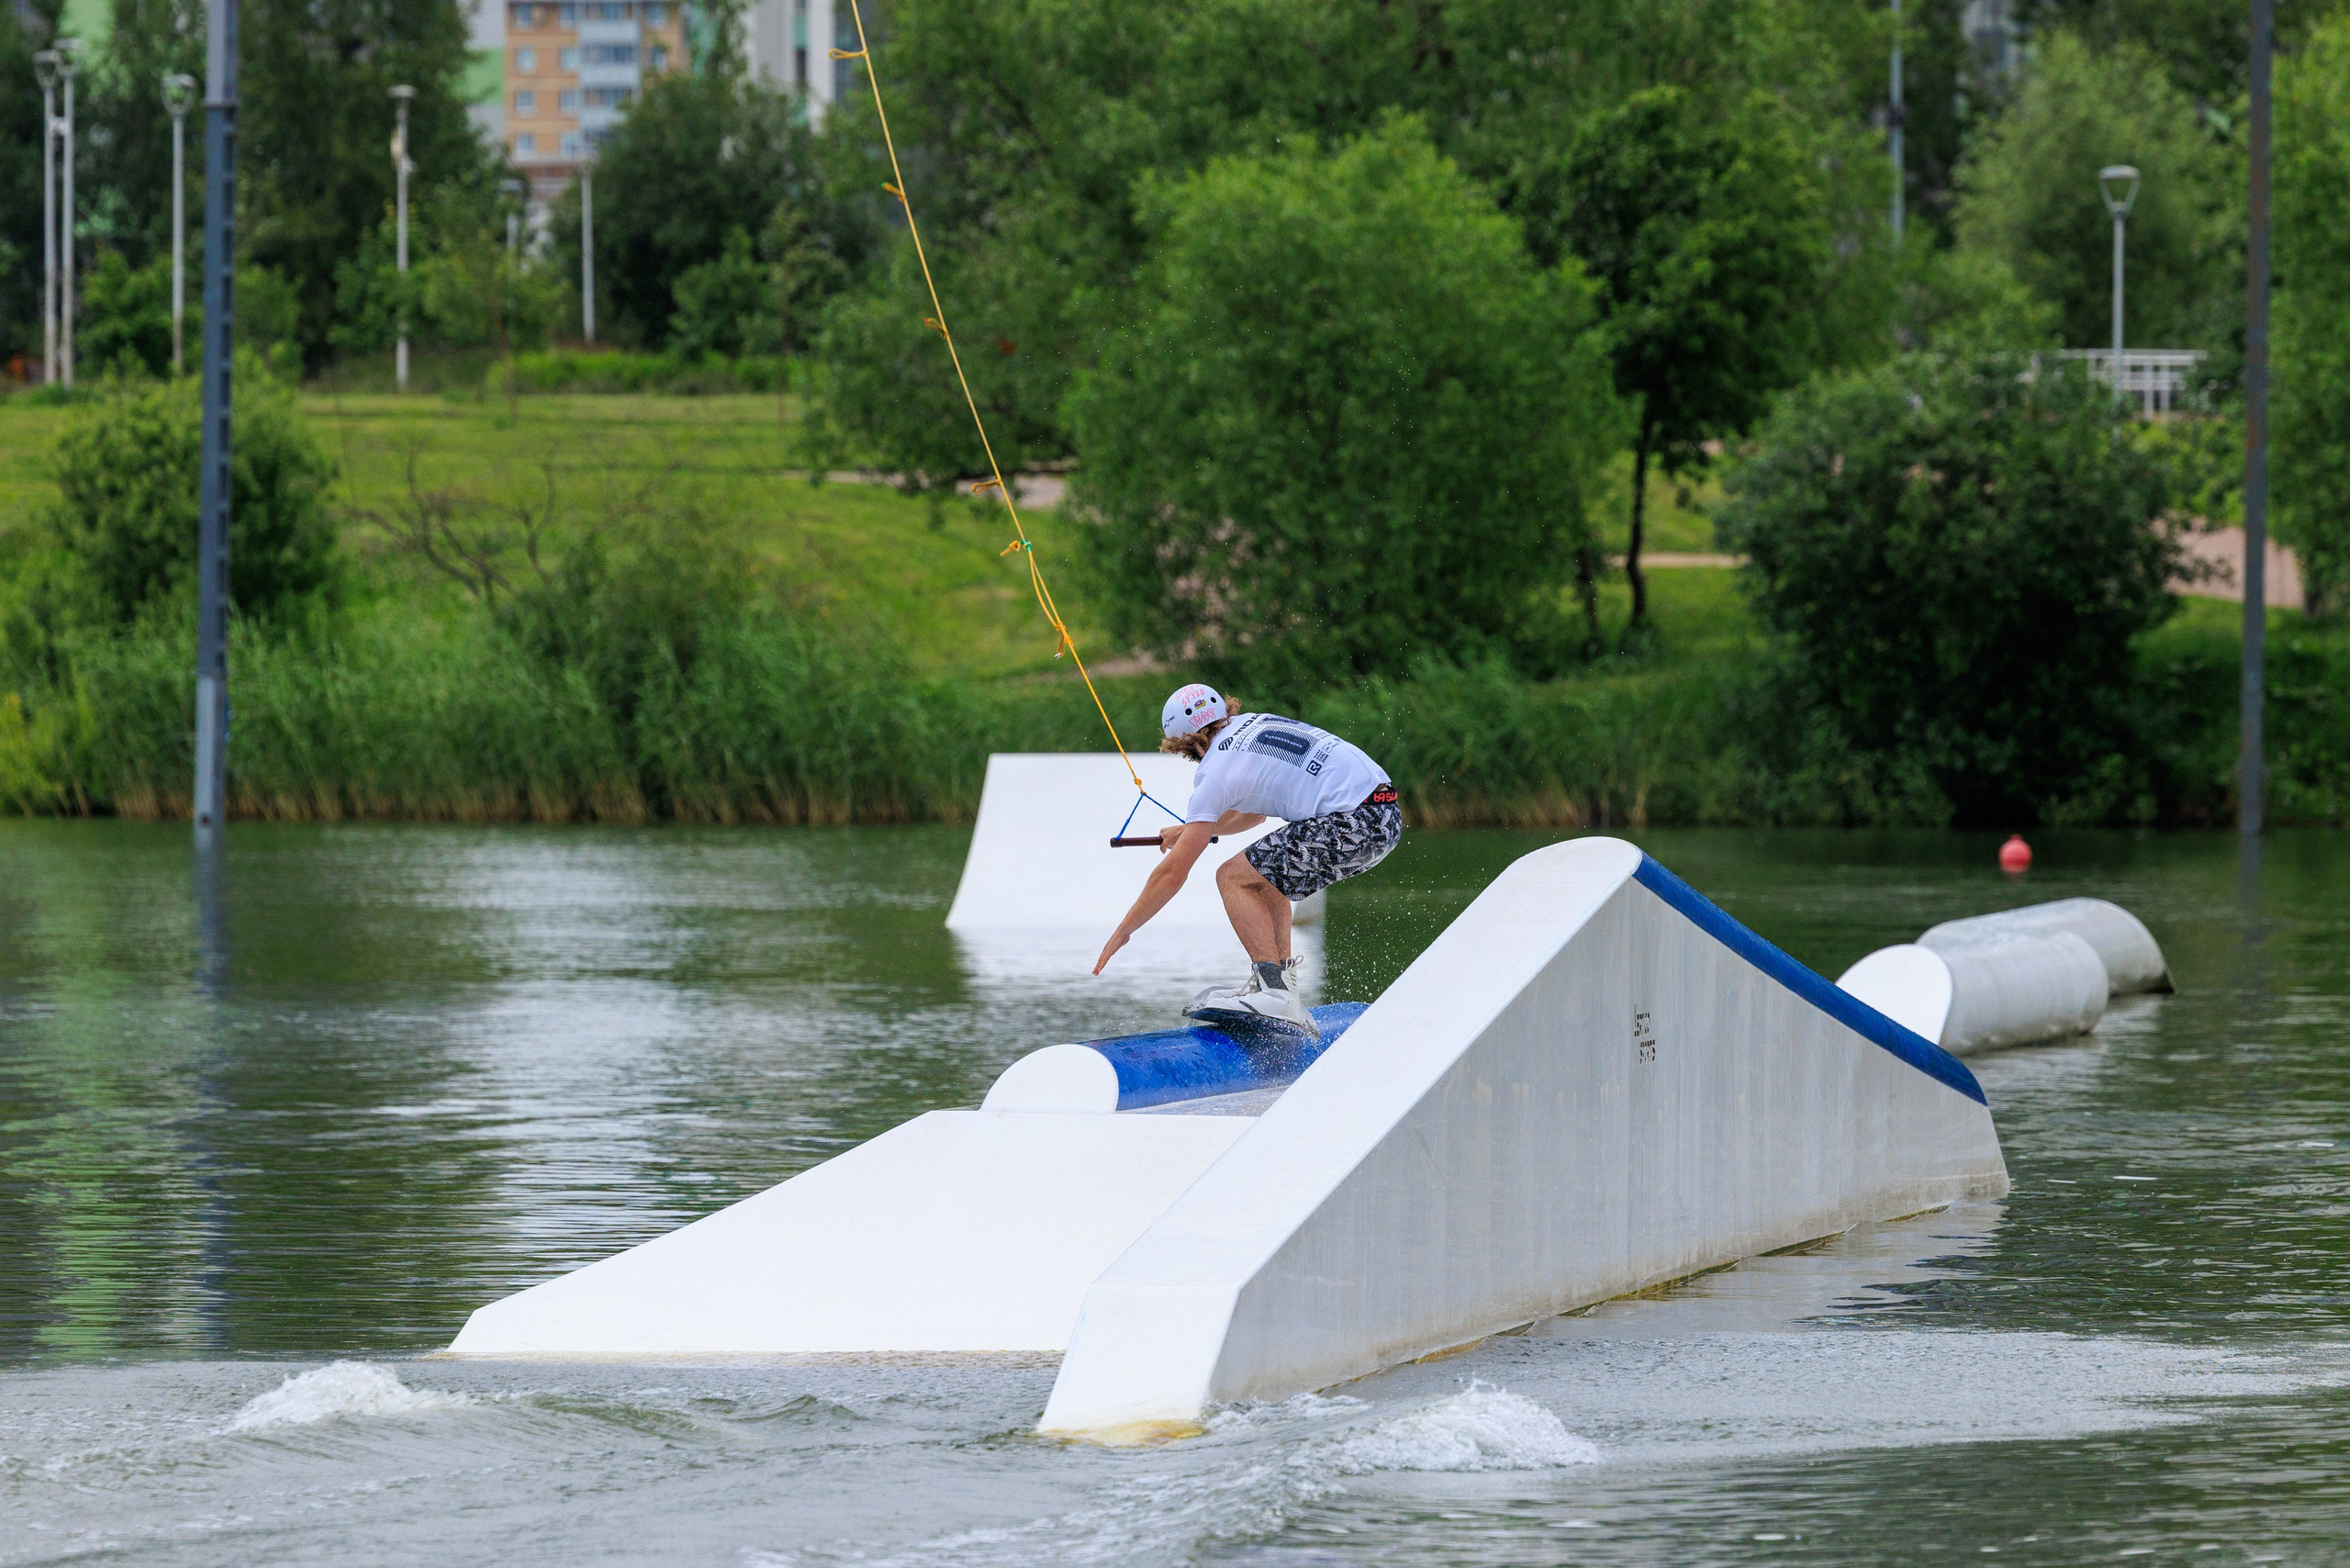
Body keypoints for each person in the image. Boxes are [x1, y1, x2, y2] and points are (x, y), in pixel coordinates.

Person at [1091, 683, 1402, 1037]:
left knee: (1232, 877)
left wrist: (1124, 930)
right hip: (1384, 815)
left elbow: (1172, 873)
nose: (1191, 759)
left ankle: (1272, 991)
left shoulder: (1214, 771)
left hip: (1353, 819)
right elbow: (1253, 814)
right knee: (1263, 876)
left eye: (1184, 751)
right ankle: (1284, 994)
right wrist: (1191, 830)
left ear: (1191, 742)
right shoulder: (1252, 725)